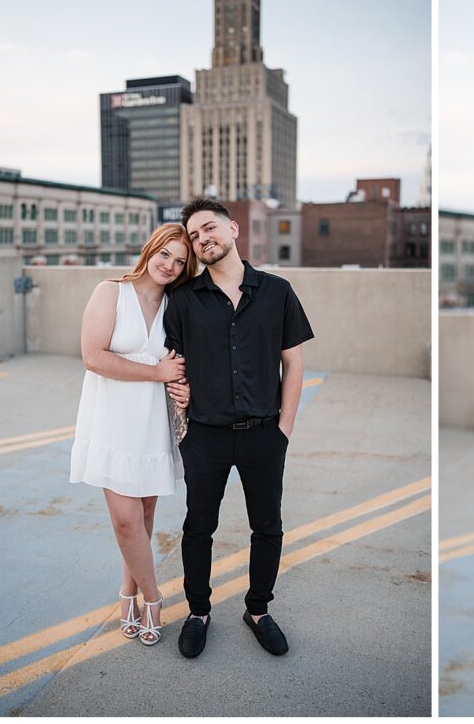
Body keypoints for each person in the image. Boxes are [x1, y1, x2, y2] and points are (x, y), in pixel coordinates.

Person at [164, 198, 314, 660]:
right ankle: (198, 612)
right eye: (193, 235)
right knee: (198, 528)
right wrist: (181, 410)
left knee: (267, 527)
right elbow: (173, 367)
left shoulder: (277, 290)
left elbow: (294, 362)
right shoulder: (184, 299)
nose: (202, 238)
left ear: (233, 230)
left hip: (263, 434)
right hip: (204, 436)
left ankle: (258, 610)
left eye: (209, 228)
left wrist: (284, 429)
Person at [71, 223, 196, 646]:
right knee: (126, 522)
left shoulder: (177, 306)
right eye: (166, 254)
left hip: (150, 424)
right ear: (151, 249)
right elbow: (92, 357)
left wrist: (180, 382)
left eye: (180, 261)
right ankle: (154, 599)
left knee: (141, 518)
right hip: (110, 420)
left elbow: (182, 362)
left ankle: (127, 593)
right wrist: (155, 372)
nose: (170, 265)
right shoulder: (111, 292)